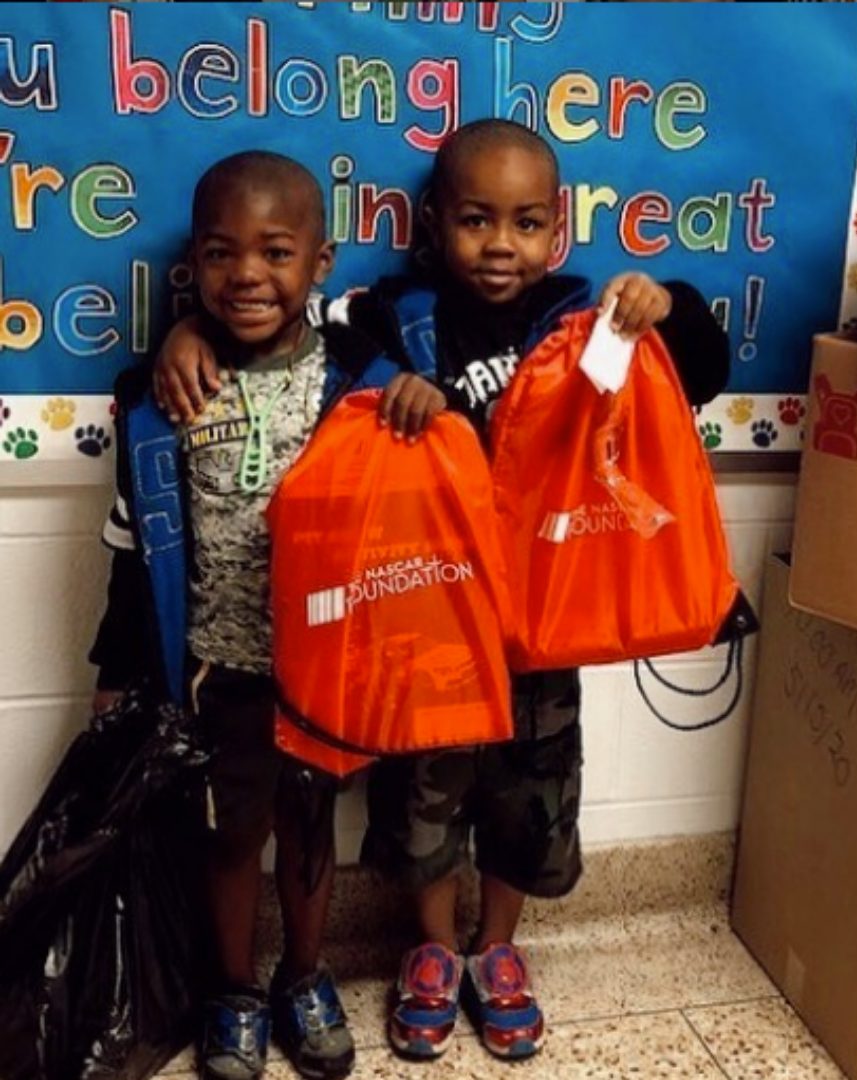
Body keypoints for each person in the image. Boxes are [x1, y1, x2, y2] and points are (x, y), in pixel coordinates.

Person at [152, 119, 730, 1064]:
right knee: (421, 794)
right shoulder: (390, 320)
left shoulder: (585, 318)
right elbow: (287, 333)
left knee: (528, 797)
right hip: (426, 622)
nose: (499, 244)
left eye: (524, 223)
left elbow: (701, 369)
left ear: (558, 231)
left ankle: (496, 952)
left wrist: (667, 302)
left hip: (543, 624)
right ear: (432, 225)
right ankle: (428, 951)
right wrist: (186, 325)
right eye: (474, 220)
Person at [88, 150, 438, 1080]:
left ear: (320, 264)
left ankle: (305, 975)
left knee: (313, 827)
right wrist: (114, 679)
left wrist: (420, 398)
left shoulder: (363, 378)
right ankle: (235, 990)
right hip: (221, 672)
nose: (247, 274)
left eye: (276, 252)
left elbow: (430, 477)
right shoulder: (158, 397)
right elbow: (133, 554)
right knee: (230, 832)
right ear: (193, 267)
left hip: (325, 671)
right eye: (220, 254)